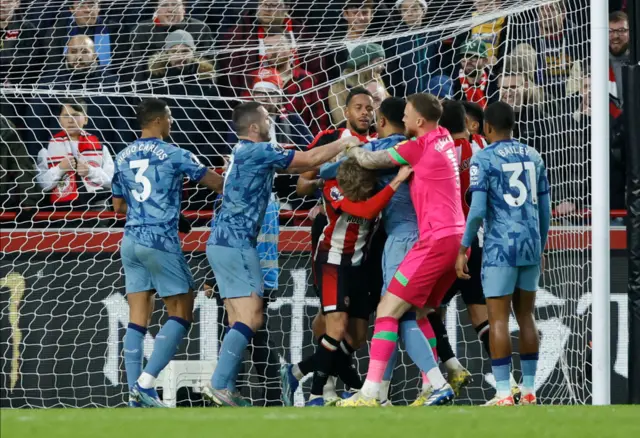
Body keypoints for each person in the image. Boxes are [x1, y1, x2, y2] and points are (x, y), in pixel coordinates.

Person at [204, 101, 361, 407]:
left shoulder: (239, 152)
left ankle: (226, 386)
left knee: (240, 318)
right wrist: (345, 142)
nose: (271, 120)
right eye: (266, 117)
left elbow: (314, 167)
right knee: (252, 318)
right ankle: (220, 383)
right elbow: (308, 159)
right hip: (238, 242)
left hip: (220, 241)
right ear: (253, 127)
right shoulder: (259, 150)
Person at [338, 93, 465, 407]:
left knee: (388, 312)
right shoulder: (444, 137)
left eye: (408, 114)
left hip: (428, 241)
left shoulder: (416, 148)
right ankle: (430, 385)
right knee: (417, 312)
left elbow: (367, 161)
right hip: (455, 240)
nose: (405, 119)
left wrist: (350, 142)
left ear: (420, 121)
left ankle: (377, 393)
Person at [112, 98, 225, 408]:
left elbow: (119, 206)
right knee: (182, 310)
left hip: (130, 241)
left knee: (137, 318)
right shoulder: (176, 154)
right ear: (160, 120)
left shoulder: (121, 157)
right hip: (160, 241)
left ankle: (135, 395)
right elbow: (215, 183)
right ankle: (146, 385)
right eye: (171, 117)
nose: (172, 122)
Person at [282, 157, 412, 407]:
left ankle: (297, 371)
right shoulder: (333, 186)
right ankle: (315, 395)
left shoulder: (374, 188)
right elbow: (365, 211)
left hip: (358, 268)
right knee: (336, 327)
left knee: (357, 338)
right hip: (331, 262)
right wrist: (396, 181)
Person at [455, 101, 551, 406]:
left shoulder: (483, 159)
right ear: (513, 125)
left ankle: (502, 393)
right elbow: (545, 209)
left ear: (487, 128)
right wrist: (541, 244)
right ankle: (531, 391)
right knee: (526, 316)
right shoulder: (533, 155)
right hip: (530, 245)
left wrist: (463, 247)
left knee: (497, 321)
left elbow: (478, 209)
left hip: (499, 248)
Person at [36, 99, 114, 209]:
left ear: (86, 119)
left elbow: (113, 182)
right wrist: (59, 169)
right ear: (59, 120)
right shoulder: (47, 150)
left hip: (96, 208)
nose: (71, 120)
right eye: (66, 116)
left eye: (76, 115)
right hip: (59, 211)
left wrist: (90, 171)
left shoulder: (101, 148)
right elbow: (41, 185)